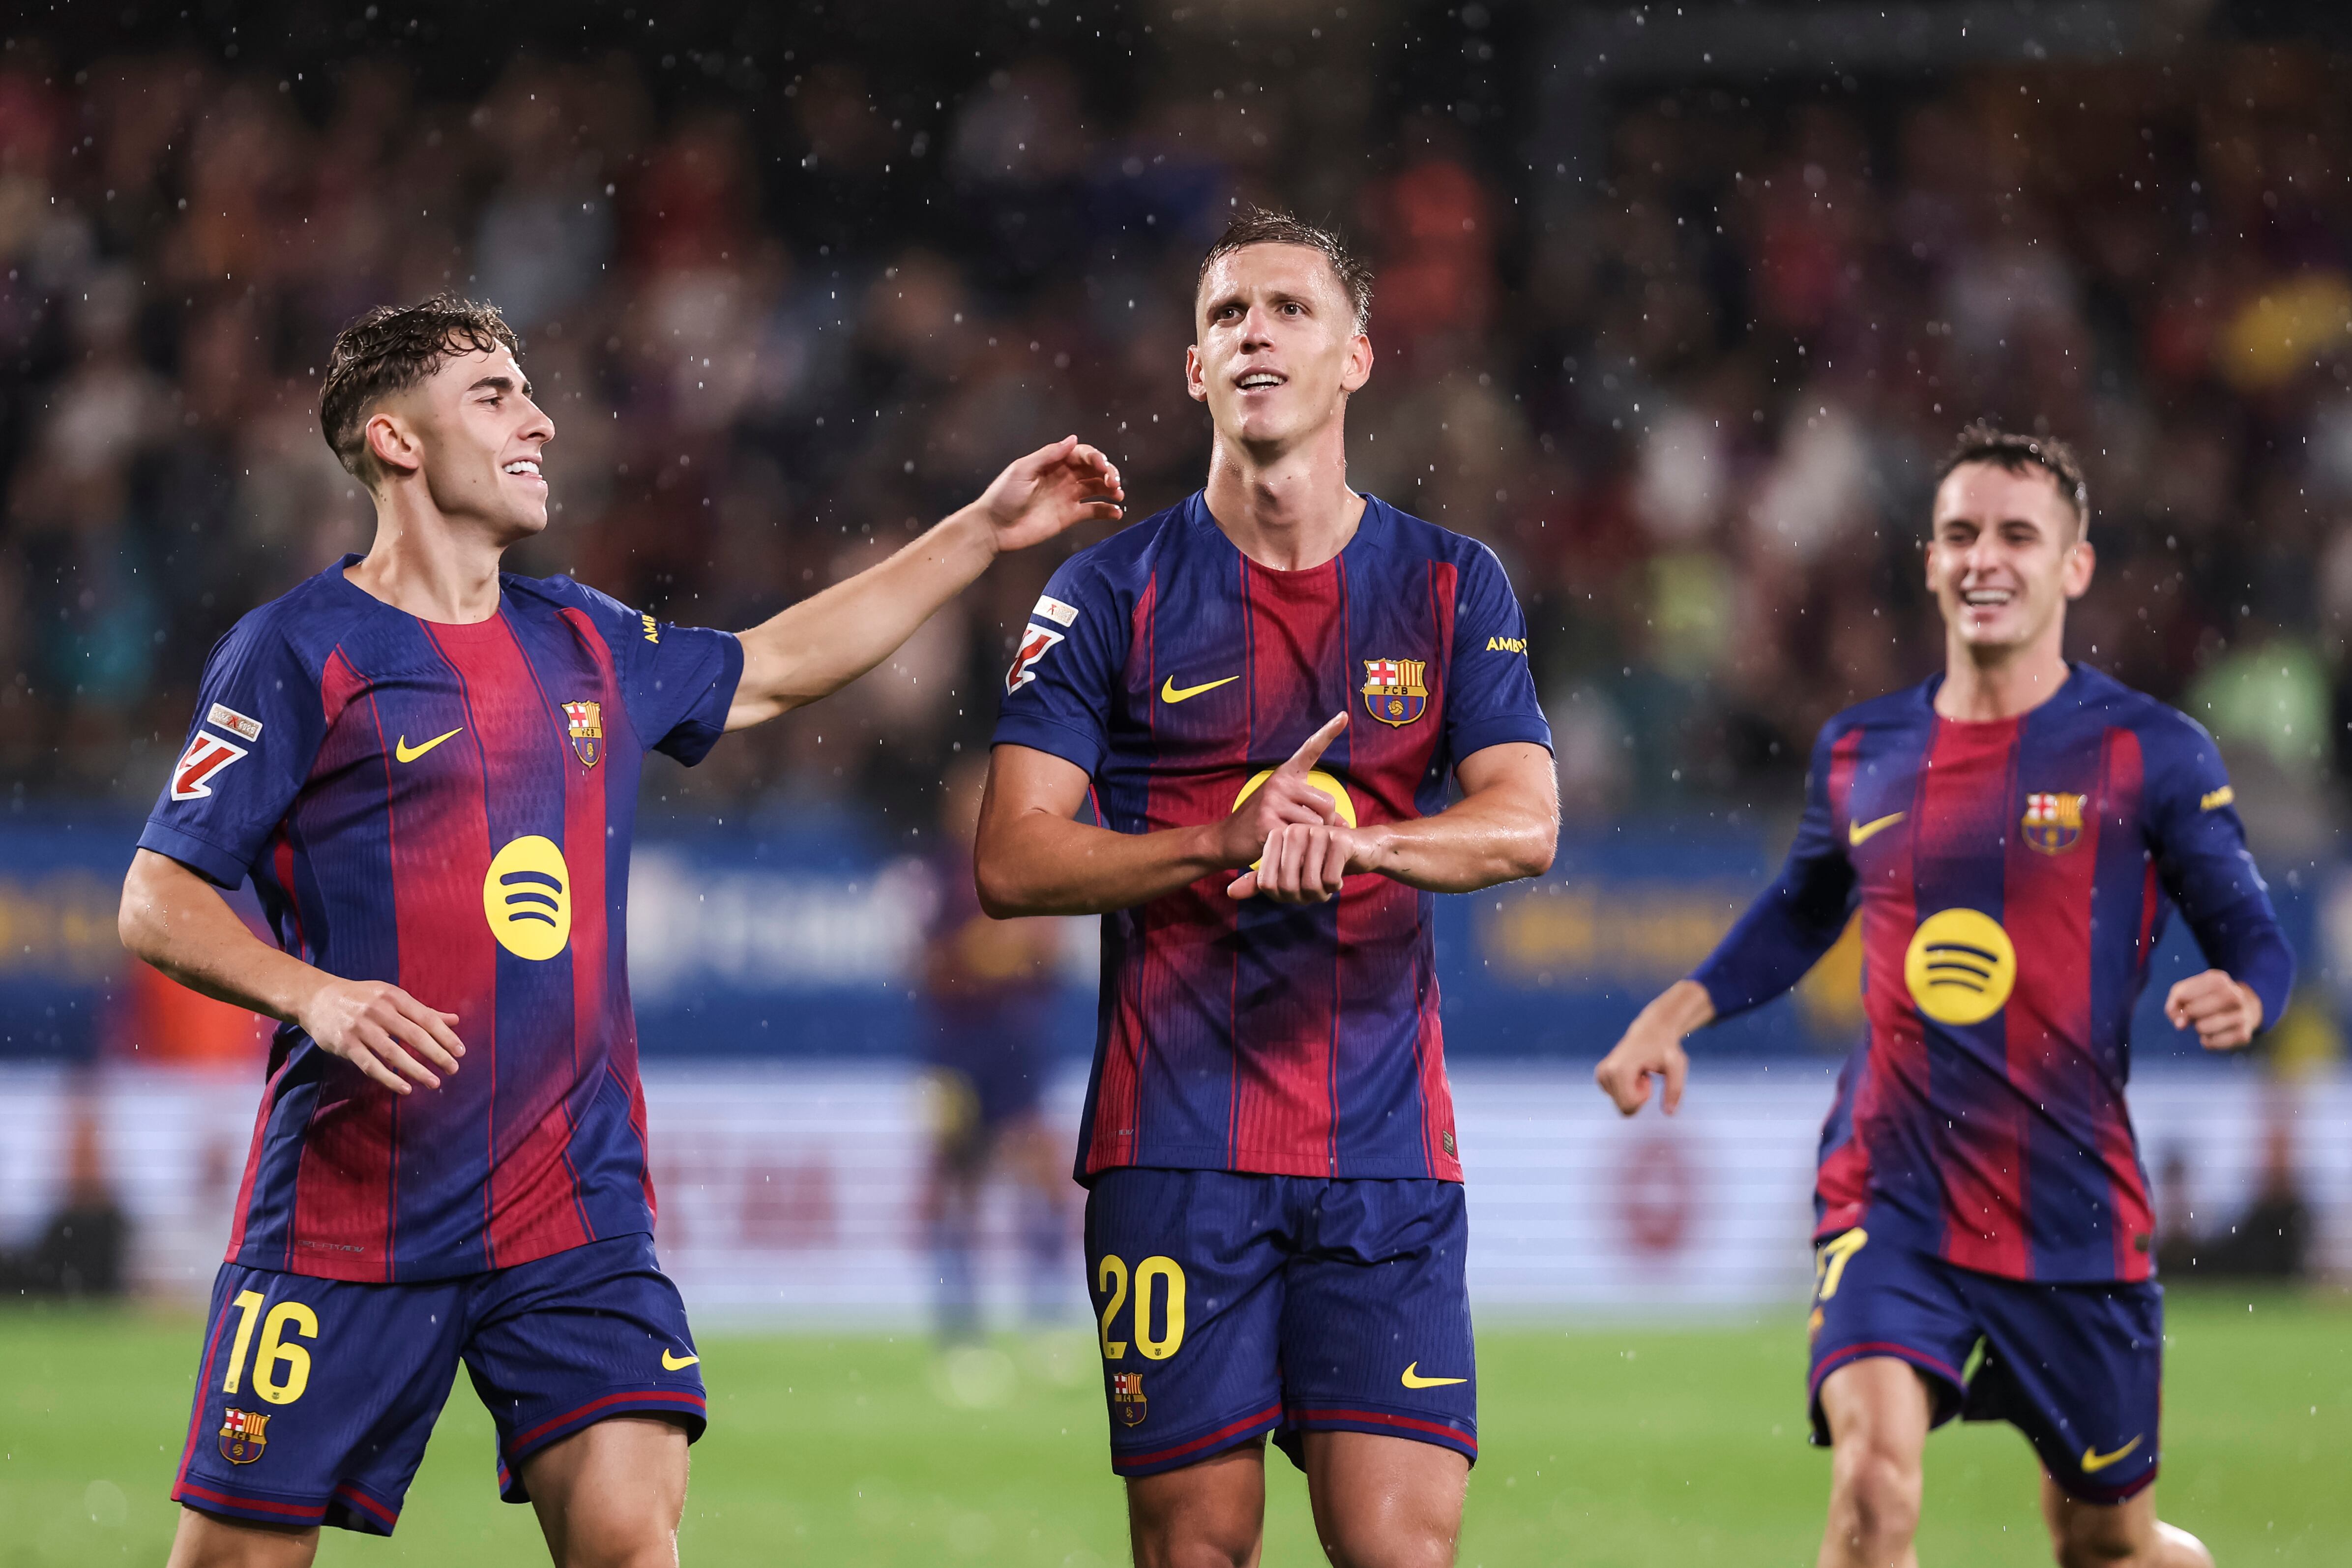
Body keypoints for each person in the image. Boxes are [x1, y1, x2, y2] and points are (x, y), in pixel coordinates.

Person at [117, 293, 1121, 1568]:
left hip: (572, 1213)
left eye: (530, 388)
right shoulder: (296, 652)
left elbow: (768, 665)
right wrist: (313, 995)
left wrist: (980, 533)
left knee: (631, 1538)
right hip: (348, 1216)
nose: (538, 416)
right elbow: (159, 894)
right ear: (396, 441)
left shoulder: (584, 636)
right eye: (493, 393)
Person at [1594, 424, 2293, 1568]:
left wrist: (2248, 995)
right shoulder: (1859, 749)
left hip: (2070, 1202)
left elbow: (2255, 937)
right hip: (1891, 1191)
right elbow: (1796, 910)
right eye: (1961, 533)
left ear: (2073, 566)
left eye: (2018, 534)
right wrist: (1670, 1014)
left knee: (2105, 1539)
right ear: (1927, 560)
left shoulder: (2150, 752)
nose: (1985, 557)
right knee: (1873, 1493)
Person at [975, 210, 1559, 1568]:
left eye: (1290, 309)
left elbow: (1525, 825)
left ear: (1356, 356)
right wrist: (1218, 839)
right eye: (1229, 313)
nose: (1256, 331)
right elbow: (1012, 858)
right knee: (1197, 1554)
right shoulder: (1105, 591)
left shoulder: (1450, 582)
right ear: (1194, 370)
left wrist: (1363, 843)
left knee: (1401, 1555)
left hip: (1383, 1151)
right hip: (1174, 1151)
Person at [916, 752, 1071, 1341]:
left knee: (1039, 1172)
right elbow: (932, 966)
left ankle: (1046, 1313)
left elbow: (1049, 954)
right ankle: (959, 1323)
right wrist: (989, 952)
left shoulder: (1020, 865)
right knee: (957, 1178)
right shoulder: (937, 875)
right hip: (953, 1050)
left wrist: (994, 952)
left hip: (1014, 1042)